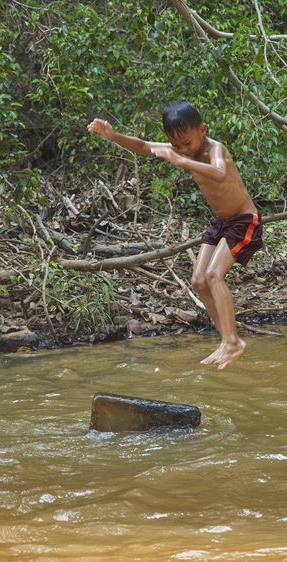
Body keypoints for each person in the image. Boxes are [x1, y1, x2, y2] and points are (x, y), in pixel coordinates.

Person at [87, 101, 262, 369]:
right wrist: (113, 136)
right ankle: (226, 337)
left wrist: (180, 159)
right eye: (176, 145)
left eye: (187, 143)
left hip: (243, 220)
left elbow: (219, 172)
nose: (182, 149)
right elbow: (144, 146)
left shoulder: (216, 149)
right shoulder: (182, 148)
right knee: (199, 281)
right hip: (222, 222)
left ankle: (233, 341)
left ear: (203, 129)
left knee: (215, 275)